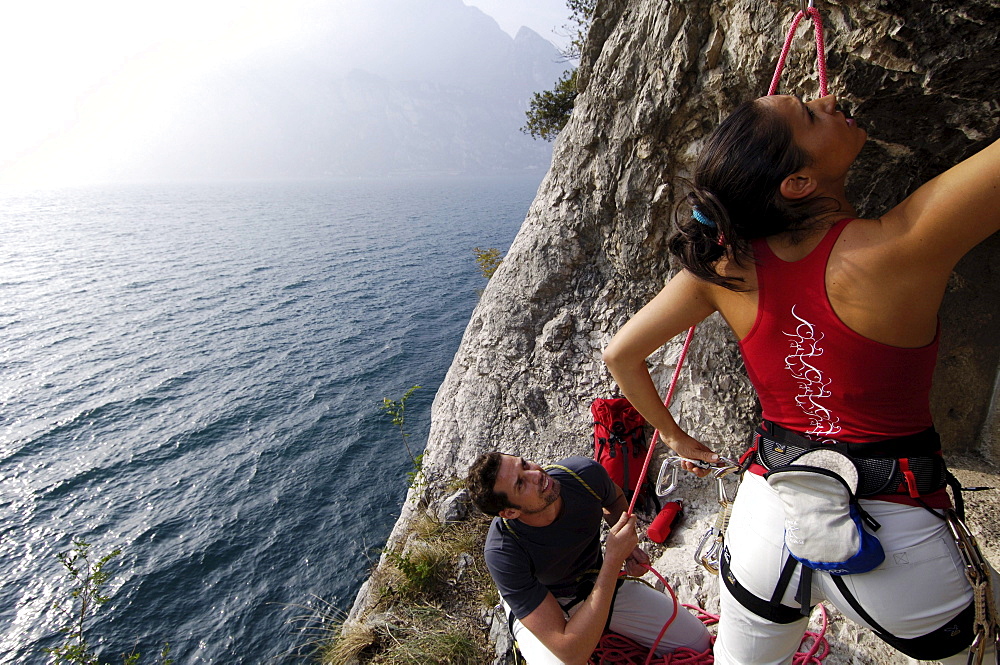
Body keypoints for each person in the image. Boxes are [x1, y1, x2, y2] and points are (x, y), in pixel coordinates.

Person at [603, 93, 999, 664]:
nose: (830, 98)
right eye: (811, 115)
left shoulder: (725, 271)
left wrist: (675, 437)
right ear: (796, 184)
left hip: (768, 517)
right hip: (896, 534)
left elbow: (621, 354)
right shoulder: (902, 244)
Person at [466, 452, 711, 664]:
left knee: (696, 641)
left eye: (525, 464)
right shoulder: (504, 552)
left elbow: (614, 500)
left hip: (592, 583)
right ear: (510, 512)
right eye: (521, 483)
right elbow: (571, 654)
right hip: (544, 605)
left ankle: (592, 626)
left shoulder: (582, 475)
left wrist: (626, 548)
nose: (536, 474)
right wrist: (613, 560)